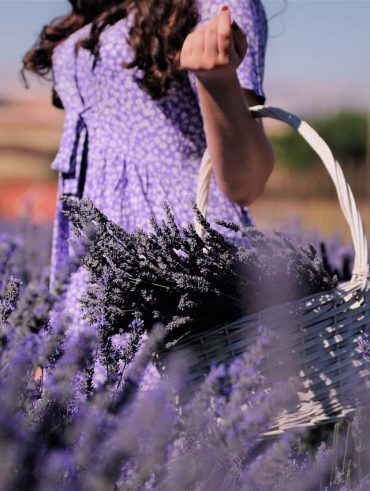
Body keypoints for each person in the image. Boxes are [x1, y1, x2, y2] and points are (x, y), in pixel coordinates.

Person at [22, 0, 274, 384]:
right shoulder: (107, 7)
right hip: (94, 262)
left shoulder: (218, 4)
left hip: (169, 264)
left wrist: (219, 82)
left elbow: (246, 181)